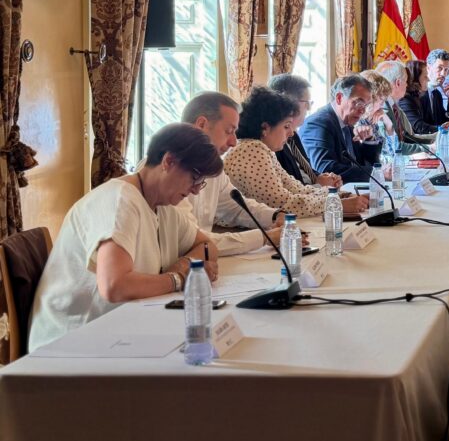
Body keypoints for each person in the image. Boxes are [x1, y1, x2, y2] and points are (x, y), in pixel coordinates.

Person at [29, 124, 223, 352]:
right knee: (199, 359)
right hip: (72, 343)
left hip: (120, 329)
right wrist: (179, 278)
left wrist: (185, 264)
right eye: (195, 178)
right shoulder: (119, 200)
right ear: (168, 161)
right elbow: (114, 286)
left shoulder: (163, 206)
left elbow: (207, 246)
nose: (196, 190)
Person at [226, 86, 367, 216]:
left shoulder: (263, 150)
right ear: (265, 128)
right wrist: (336, 204)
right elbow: (282, 204)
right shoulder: (251, 151)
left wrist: (341, 195)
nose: (291, 133)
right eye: (286, 126)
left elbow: (298, 190)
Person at [177, 91, 288, 255]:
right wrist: (265, 237)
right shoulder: (169, 171)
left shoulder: (213, 168)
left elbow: (236, 208)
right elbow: (193, 240)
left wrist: (275, 216)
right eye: (229, 131)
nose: (234, 142)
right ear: (201, 124)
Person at [267, 74, 343, 189]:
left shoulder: (293, 135)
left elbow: (305, 169)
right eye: (307, 103)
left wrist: (322, 177)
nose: (309, 108)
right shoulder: (272, 141)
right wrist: (319, 185)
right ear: (290, 103)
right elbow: (287, 188)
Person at [299, 74, 379, 184]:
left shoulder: (347, 123)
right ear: (339, 98)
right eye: (359, 103)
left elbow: (361, 163)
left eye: (366, 105)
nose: (362, 111)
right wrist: (376, 173)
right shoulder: (318, 123)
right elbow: (324, 168)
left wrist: (369, 140)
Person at [376, 60, 437, 152]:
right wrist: (429, 148)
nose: (407, 85)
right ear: (398, 83)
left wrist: (439, 137)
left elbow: (408, 137)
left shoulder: (395, 106)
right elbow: (394, 147)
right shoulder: (381, 109)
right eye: (406, 81)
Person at [400, 60, 440, 135]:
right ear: (415, 79)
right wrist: (443, 129)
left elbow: (427, 123)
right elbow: (419, 127)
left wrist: (444, 127)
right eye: (425, 76)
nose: (428, 79)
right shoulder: (405, 100)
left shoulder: (418, 96)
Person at [420, 48, 449, 126]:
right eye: (440, 68)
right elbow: (419, 127)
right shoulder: (419, 93)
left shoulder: (437, 93)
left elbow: (445, 122)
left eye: (446, 70)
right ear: (428, 68)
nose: (443, 74)